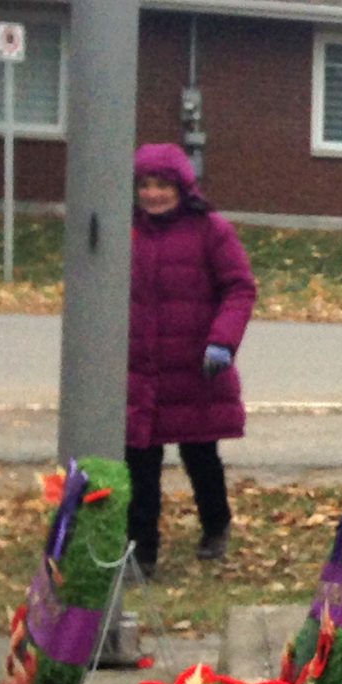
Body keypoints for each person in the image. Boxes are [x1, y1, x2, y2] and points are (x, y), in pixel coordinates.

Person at [126, 143, 255, 577]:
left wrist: (222, 341)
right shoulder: (127, 231)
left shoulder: (210, 230)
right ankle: (141, 553)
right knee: (139, 464)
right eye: (144, 185)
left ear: (182, 187)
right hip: (140, 372)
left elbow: (239, 288)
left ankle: (216, 525)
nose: (153, 194)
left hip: (196, 370)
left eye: (162, 185)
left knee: (200, 455)